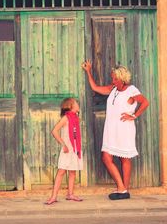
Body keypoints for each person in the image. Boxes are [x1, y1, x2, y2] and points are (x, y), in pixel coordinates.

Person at [82, 60, 149, 200]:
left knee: (124, 158)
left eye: (115, 77)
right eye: (112, 77)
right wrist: (88, 71)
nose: (113, 79)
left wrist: (134, 115)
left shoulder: (131, 90)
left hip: (124, 128)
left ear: (121, 78)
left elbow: (145, 102)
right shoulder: (113, 88)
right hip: (111, 128)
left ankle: (124, 189)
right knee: (106, 157)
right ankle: (122, 188)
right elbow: (95, 88)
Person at [45, 98, 83, 205]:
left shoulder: (76, 118)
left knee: (72, 172)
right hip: (68, 149)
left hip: (75, 149)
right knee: (61, 172)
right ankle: (53, 196)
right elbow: (54, 131)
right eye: (76, 103)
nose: (78, 104)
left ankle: (70, 194)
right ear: (71, 106)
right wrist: (63, 144)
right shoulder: (66, 118)